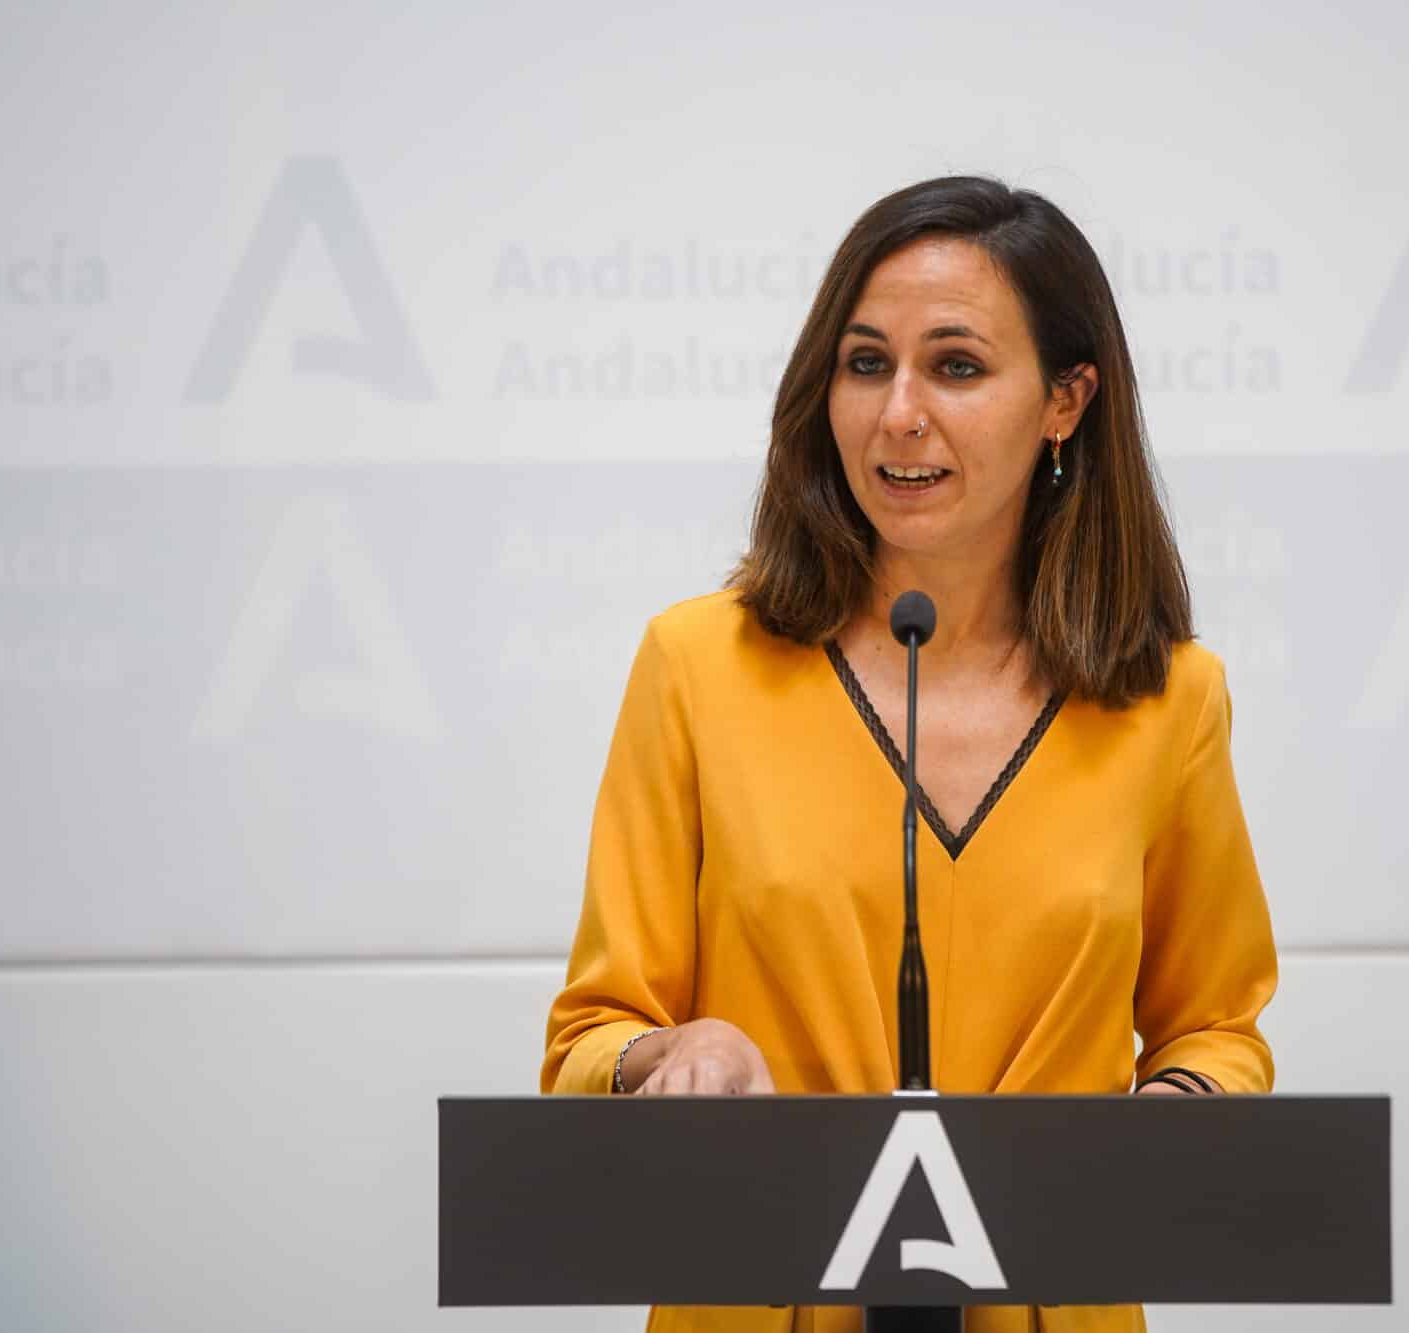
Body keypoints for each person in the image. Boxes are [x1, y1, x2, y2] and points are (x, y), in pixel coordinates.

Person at [542, 176, 1278, 1333]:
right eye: (866, 362)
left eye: (957, 366)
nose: (898, 414)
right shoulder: (697, 665)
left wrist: (1174, 1107)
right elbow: (590, 1036)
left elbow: (1215, 1029)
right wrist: (672, 1056)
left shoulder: (1169, 700)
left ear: (1066, 399)